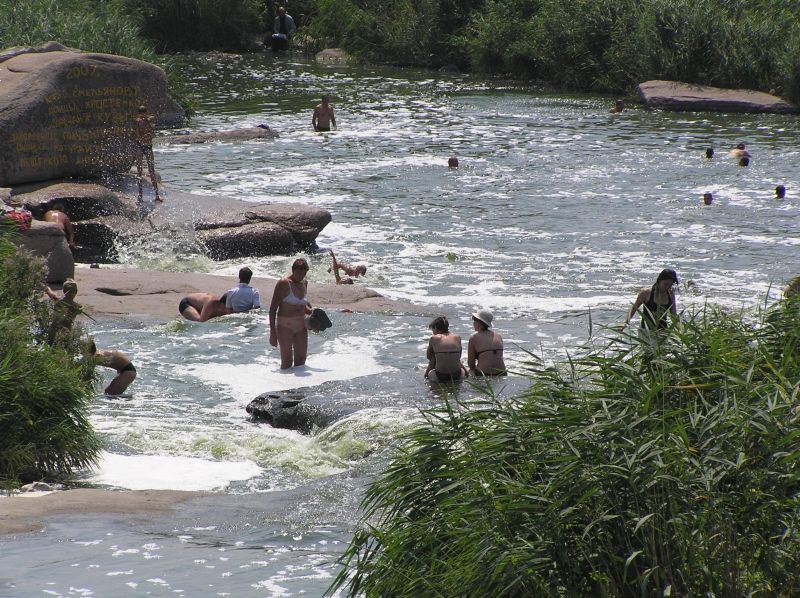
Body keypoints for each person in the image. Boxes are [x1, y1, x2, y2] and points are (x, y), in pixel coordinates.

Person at [269, 258, 313, 369]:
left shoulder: (304, 283)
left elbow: (303, 307)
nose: (301, 276)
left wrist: (313, 313)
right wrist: (273, 334)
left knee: (301, 361)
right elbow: (273, 309)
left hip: (301, 327)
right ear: (293, 270)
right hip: (285, 327)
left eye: (303, 273)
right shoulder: (283, 283)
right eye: (298, 273)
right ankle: (283, 380)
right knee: (287, 362)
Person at [624, 269, 679, 334]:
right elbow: (633, 309)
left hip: (663, 333)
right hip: (646, 332)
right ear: (659, 280)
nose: (667, 287)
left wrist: (680, 329)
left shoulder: (670, 295)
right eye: (665, 284)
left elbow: (673, 315)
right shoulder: (646, 293)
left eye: (670, 285)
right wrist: (625, 324)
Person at [424, 316, 467, 383]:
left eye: (433, 330)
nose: (433, 333)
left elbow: (429, 356)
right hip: (457, 375)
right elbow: (458, 357)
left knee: (433, 359)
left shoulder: (434, 338)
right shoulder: (457, 337)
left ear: (436, 328)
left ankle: (432, 387)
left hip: (440, 375)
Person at [45, 279, 85, 345]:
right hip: (66, 331)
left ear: (64, 291)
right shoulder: (77, 306)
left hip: (53, 330)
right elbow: (80, 310)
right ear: (76, 292)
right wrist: (80, 309)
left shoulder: (58, 300)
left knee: (50, 346)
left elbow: (49, 291)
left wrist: (47, 288)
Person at [467, 309, 506, 377]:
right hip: (502, 373)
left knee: (469, 371)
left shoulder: (474, 338)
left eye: (474, 320)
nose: (473, 322)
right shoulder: (498, 336)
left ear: (479, 323)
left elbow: (471, 364)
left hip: (484, 374)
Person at [135, 105, 162, 203]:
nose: (143, 116)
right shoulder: (137, 122)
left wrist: (149, 124)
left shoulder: (150, 121)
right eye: (141, 114)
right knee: (139, 171)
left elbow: (153, 133)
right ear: (139, 114)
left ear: (146, 113)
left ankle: (157, 195)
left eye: (144, 114)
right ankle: (140, 195)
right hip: (140, 147)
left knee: (152, 171)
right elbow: (137, 134)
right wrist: (142, 136)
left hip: (148, 147)